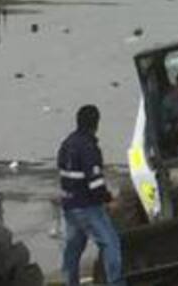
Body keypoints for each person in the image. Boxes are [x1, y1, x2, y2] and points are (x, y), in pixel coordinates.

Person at [58, 104, 127, 286]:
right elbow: (95, 182)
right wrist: (108, 200)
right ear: (96, 123)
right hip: (87, 207)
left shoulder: (66, 144)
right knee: (110, 243)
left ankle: (69, 282)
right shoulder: (89, 147)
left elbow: (64, 175)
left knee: (73, 250)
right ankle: (117, 283)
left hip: (69, 206)